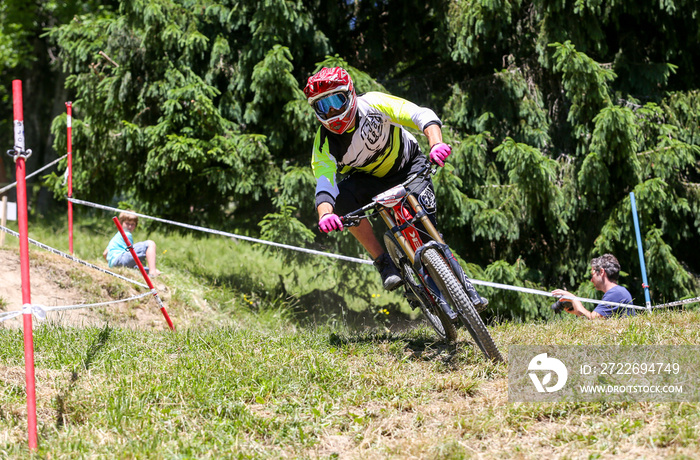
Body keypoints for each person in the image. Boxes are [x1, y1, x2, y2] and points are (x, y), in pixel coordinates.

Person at [303, 66, 456, 292]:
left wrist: (436, 144)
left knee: (426, 231)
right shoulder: (323, 143)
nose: (332, 111)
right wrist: (325, 214)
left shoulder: (373, 103)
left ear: (351, 94)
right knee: (341, 202)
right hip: (370, 180)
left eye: (337, 100)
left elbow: (420, 114)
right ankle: (383, 261)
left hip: (408, 165)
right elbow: (325, 185)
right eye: (323, 106)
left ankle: (449, 275)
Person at [552, 254, 634, 319]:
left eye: (592, 275)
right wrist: (577, 311)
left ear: (601, 272)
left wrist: (574, 299)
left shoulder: (616, 293)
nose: (591, 280)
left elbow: (593, 321)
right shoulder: (617, 292)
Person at [103, 211, 161, 276]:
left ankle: (151, 271)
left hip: (114, 264)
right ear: (121, 223)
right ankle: (153, 272)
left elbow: (105, 253)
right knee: (150, 244)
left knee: (145, 269)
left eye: (132, 224)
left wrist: (112, 264)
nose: (130, 226)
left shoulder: (115, 237)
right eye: (127, 223)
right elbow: (132, 253)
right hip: (120, 259)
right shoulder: (126, 234)